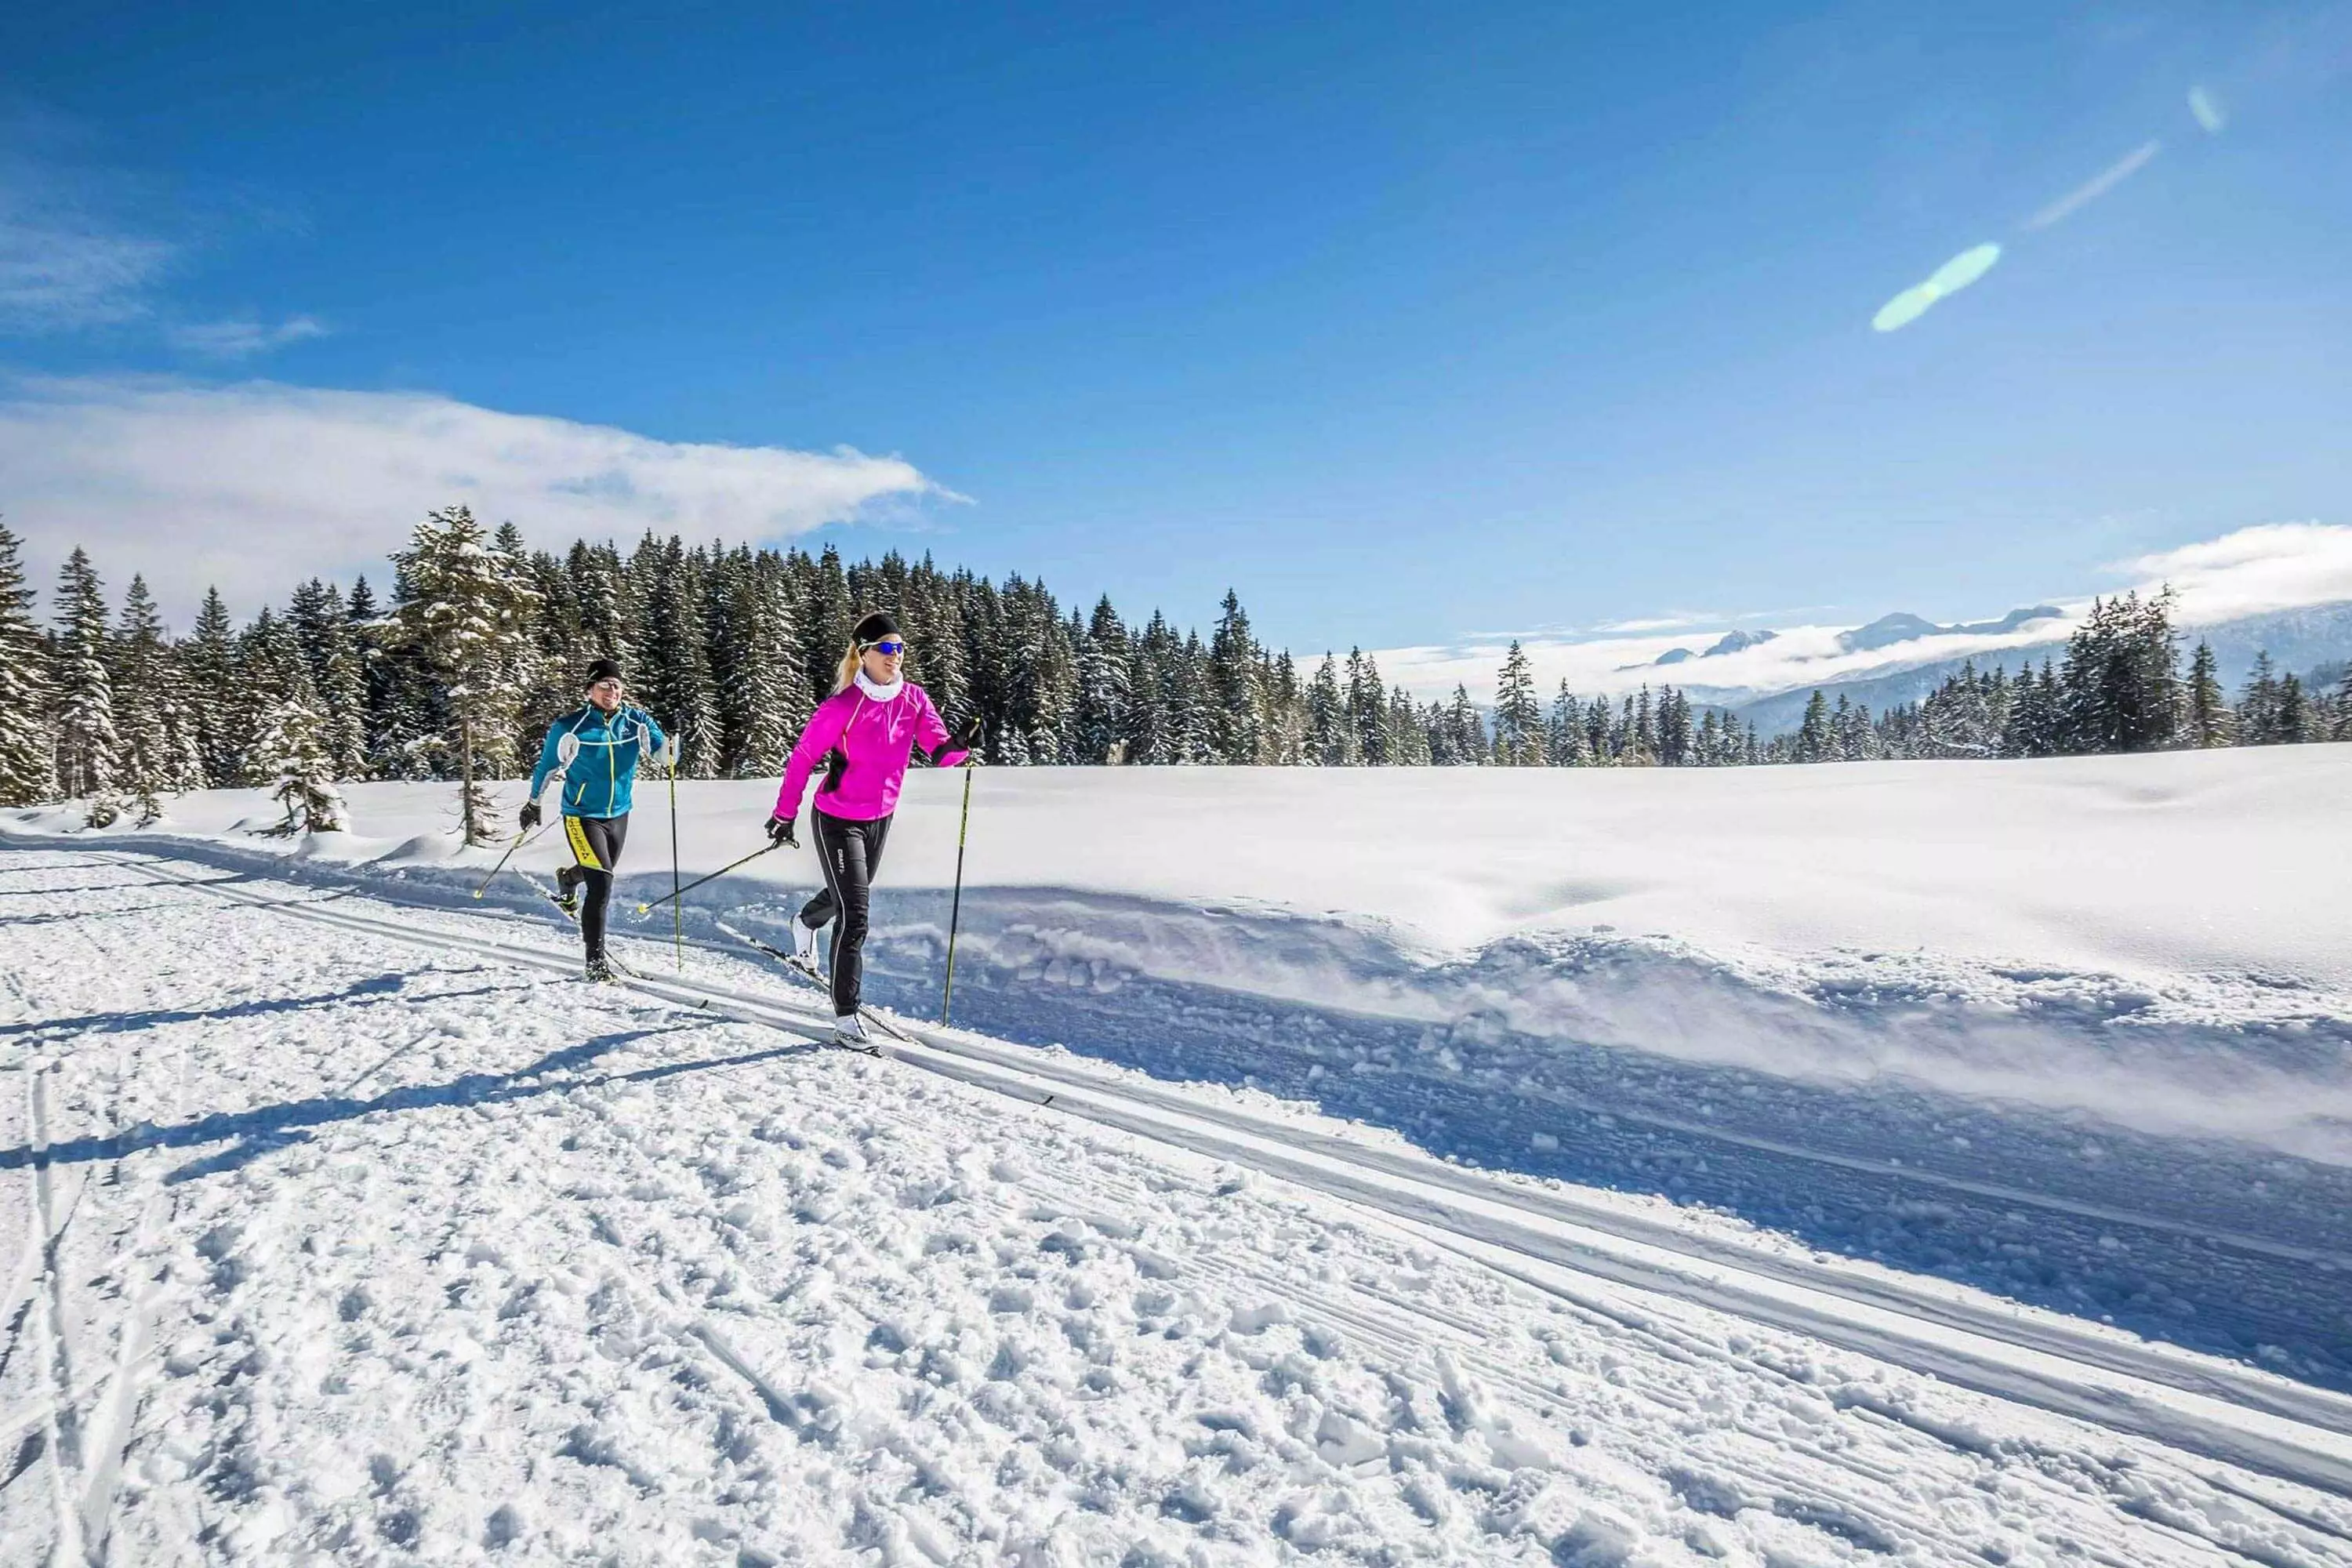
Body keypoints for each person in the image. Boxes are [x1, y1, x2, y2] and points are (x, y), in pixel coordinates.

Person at [770, 612, 981, 1042]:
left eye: (901, 648)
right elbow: (802, 758)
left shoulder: (914, 700)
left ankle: (806, 922)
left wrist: (961, 744)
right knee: (857, 916)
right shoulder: (843, 705)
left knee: (848, 896)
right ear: (862, 653)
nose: (895, 656)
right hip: (836, 818)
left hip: (879, 818)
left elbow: (939, 753)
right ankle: (846, 1016)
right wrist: (784, 814)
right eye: (886, 648)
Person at [524, 659, 670, 981]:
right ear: (590, 690)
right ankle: (595, 963)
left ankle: (567, 880)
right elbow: (547, 766)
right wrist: (534, 802)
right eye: (604, 685)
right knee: (602, 883)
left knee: (600, 873)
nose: (612, 691)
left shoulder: (636, 721)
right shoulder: (570, 727)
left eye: (617, 685)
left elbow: (665, 755)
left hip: (619, 813)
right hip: (581, 816)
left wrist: (670, 749)